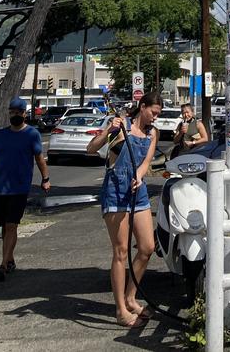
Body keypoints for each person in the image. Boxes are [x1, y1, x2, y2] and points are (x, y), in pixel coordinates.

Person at [87, 91, 161, 327]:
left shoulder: (152, 133)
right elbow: (91, 148)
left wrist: (139, 176)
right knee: (121, 251)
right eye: (153, 113)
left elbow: (146, 162)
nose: (155, 118)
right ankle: (121, 309)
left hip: (137, 191)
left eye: (158, 115)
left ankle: (131, 296)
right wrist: (108, 131)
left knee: (147, 247)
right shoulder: (121, 127)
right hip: (115, 192)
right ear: (142, 106)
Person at [0, 96, 51, 281]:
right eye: (12, 112)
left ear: (25, 114)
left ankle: (3, 265)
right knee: (5, 227)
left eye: (18, 112)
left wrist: (46, 179)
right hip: (0, 189)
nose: (15, 115)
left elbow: (39, 159)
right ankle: (10, 259)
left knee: (12, 225)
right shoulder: (0, 135)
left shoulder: (32, 134)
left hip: (19, 187)